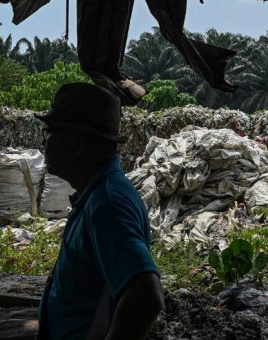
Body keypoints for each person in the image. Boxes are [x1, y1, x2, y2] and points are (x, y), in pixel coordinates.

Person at [36, 83, 164, 339]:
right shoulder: (96, 195)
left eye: (48, 134)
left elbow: (146, 297)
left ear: (77, 141)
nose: (43, 144)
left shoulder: (108, 204)